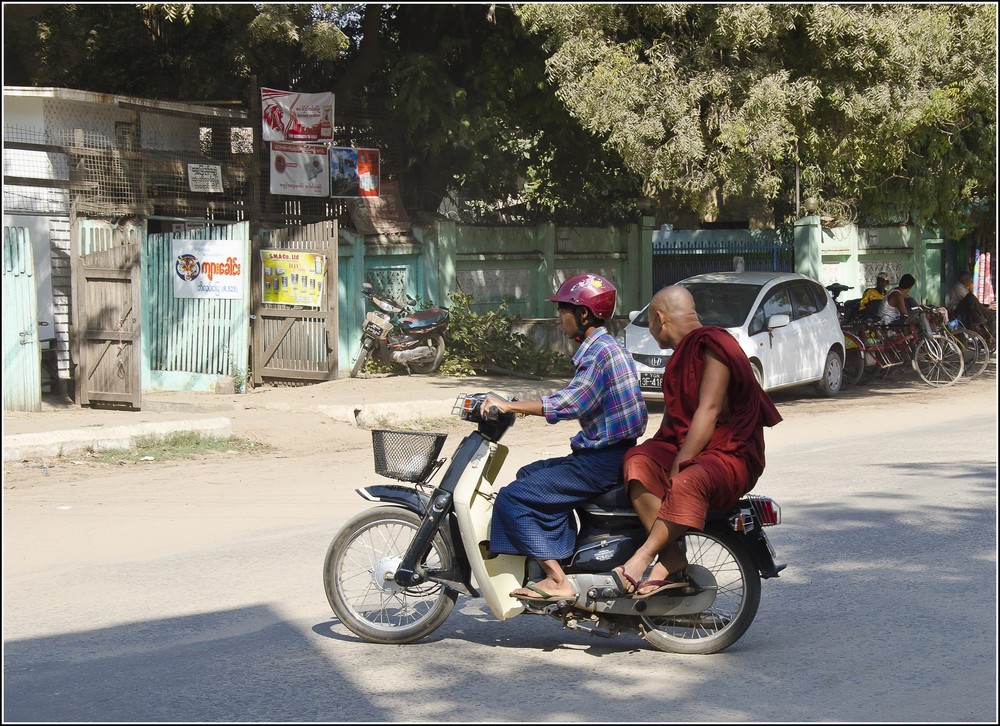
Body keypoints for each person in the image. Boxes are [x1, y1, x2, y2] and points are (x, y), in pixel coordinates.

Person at [485, 273, 648, 602]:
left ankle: (556, 578)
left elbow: (571, 402)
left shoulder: (598, 354)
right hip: (610, 455)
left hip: (600, 462)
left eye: (563, 311)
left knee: (512, 497)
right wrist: (515, 404)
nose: (559, 319)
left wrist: (510, 406)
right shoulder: (608, 346)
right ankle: (563, 553)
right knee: (529, 474)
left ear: (584, 315)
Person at [612, 285, 782, 598]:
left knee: (689, 478)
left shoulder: (712, 342)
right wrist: (661, 454)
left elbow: (710, 407)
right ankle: (671, 557)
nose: (651, 330)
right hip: (699, 450)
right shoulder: (682, 356)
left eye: (649, 322)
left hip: (731, 456)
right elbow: (677, 424)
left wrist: (679, 463)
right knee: (638, 461)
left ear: (659, 319)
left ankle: (642, 558)